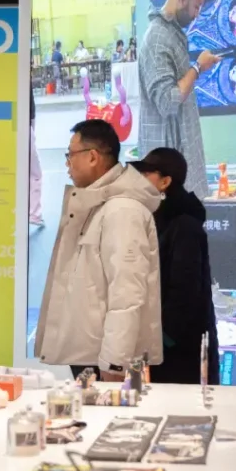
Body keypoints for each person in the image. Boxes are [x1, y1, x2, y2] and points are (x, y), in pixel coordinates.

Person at [34, 119, 162, 380]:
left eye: (70, 155)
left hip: (104, 358)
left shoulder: (122, 210)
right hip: (89, 351)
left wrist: (115, 362)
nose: (67, 164)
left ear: (92, 157)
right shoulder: (95, 205)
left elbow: (127, 293)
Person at [130, 148, 219, 384]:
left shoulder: (184, 226)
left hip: (178, 353)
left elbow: (184, 293)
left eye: (145, 175)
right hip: (159, 345)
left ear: (165, 182)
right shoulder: (156, 220)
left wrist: (161, 340)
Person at [138, 0, 220, 199]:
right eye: (196, 6)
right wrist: (198, 67)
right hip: (166, 171)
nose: (197, 14)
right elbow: (168, 101)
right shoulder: (157, 39)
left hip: (178, 164)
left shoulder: (171, 34)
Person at [28, 88, 44, 226]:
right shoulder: (24, 80)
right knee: (35, 174)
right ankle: (34, 214)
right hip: (23, 126)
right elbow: (31, 114)